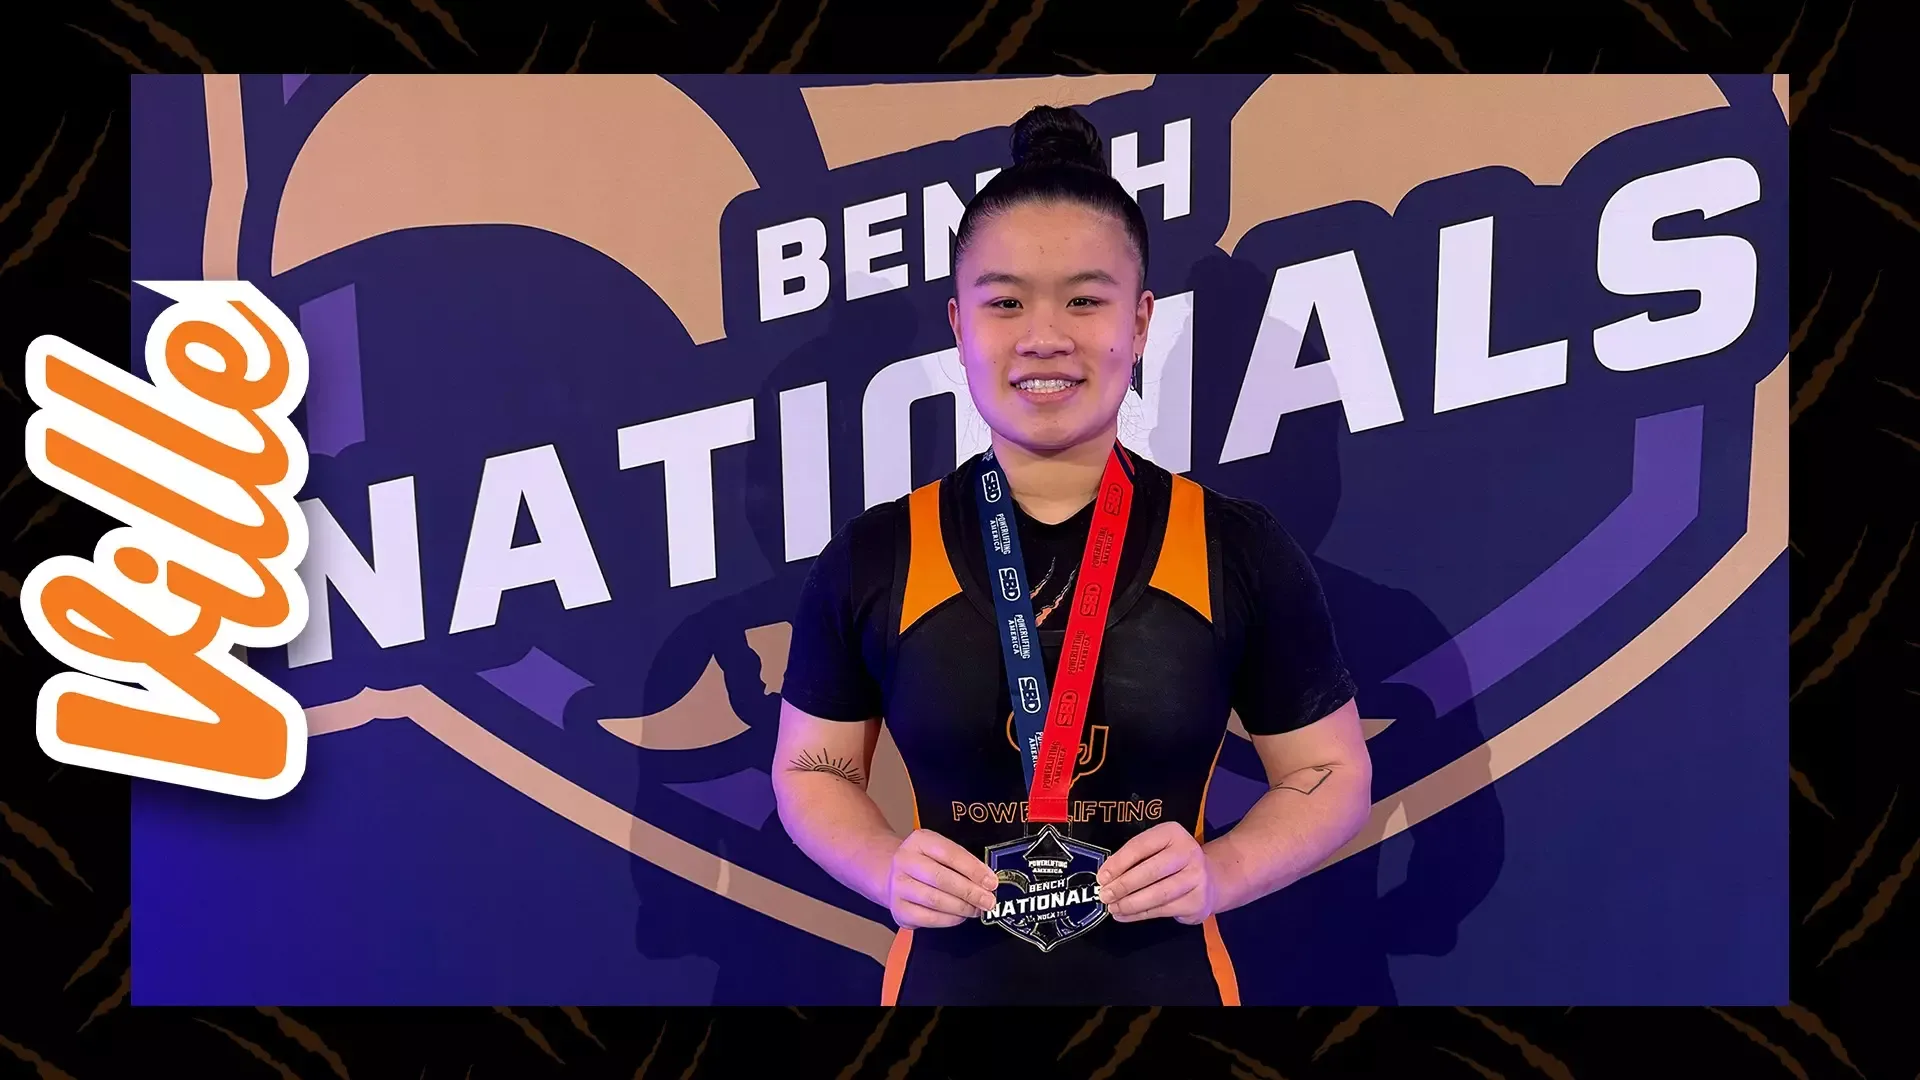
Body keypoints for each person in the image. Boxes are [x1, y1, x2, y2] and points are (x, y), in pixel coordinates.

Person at [772, 104, 1371, 1006]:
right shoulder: (875, 554)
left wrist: (1224, 872)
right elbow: (810, 770)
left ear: (1139, 322)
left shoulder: (1234, 546)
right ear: (958, 324)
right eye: (1005, 300)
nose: (1043, 335)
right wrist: (882, 867)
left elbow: (1331, 774)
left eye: (1084, 301)